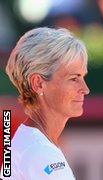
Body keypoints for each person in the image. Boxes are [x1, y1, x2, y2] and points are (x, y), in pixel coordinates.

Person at [1, 27, 89, 179]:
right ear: (38, 83)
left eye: (82, 77)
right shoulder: (39, 152)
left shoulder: (34, 144)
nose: (85, 89)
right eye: (74, 78)